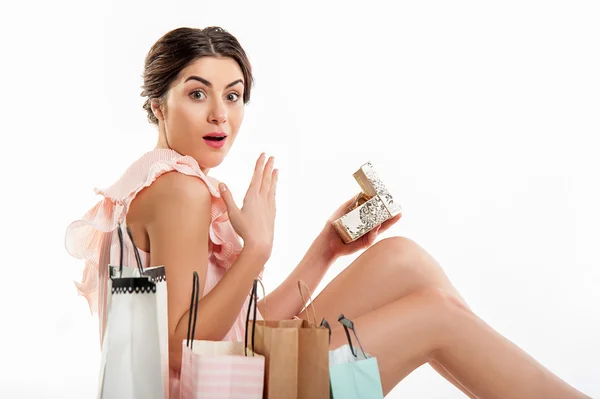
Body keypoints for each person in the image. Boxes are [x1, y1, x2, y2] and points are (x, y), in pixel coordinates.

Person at [65, 26, 589, 398]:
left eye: (234, 95)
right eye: (197, 93)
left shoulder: (160, 178)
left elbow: (235, 333)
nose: (220, 114)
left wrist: (326, 249)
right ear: (159, 104)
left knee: (401, 258)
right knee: (435, 315)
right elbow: (183, 353)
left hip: (230, 374)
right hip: (220, 391)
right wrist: (258, 252)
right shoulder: (181, 188)